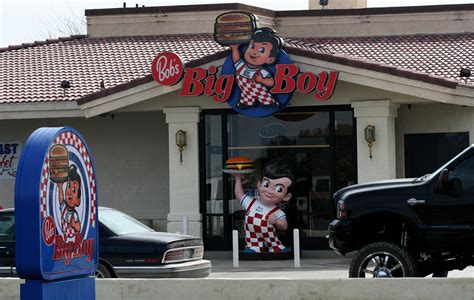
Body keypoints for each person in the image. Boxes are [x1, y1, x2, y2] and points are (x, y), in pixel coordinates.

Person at [233, 159, 294, 253]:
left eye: (278, 189)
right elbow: (239, 195)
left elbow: (284, 226)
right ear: (259, 184)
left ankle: (275, 247)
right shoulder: (251, 203)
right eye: (266, 184)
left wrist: (277, 222)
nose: (269, 191)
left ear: (287, 196)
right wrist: (238, 179)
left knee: (275, 245)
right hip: (252, 238)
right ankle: (254, 247)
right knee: (252, 246)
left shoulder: (277, 212)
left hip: (270, 238)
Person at [229, 28, 283, 109]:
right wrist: (234, 49)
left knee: (265, 97)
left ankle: (270, 103)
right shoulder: (242, 67)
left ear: (270, 59)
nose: (254, 52)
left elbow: (271, 82)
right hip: (245, 91)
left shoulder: (262, 71)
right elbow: (236, 60)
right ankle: (246, 103)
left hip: (260, 92)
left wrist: (262, 80)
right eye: (252, 46)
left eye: (261, 50)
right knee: (246, 97)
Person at [57, 164, 82, 238]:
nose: (70, 192)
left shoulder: (75, 215)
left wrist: (74, 225)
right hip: (64, 237)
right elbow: (61, 199)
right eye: (68, 186)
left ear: (78, 201)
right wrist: (60, 187)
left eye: (74, 190)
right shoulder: (64, 207)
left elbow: (79, 227)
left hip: (71, 237)